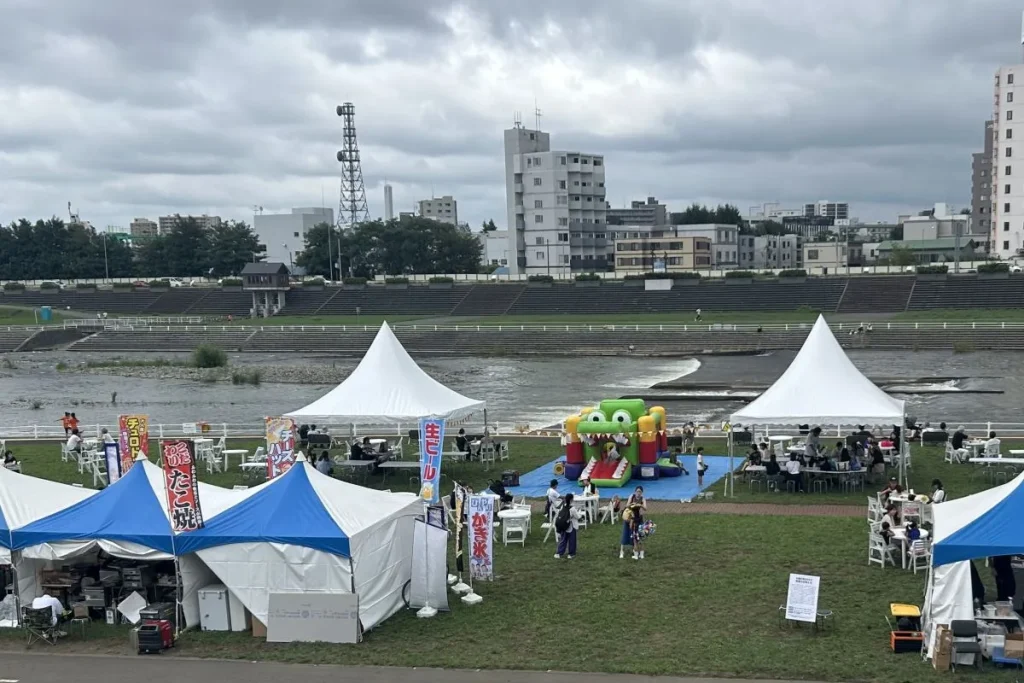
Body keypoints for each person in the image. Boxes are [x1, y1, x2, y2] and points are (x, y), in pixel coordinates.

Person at [553, 493, 582, 559]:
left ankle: (559, 553)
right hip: (571, 526)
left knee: (563, 540)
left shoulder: (562, 506)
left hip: (563, 526)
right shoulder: (572, 508)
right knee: (572, 540)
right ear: (572, 500)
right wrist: (580, 514)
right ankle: (571, 554)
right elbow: (577, 517)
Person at [625, 486, 648, 560]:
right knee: (634, 537)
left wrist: (640, 505)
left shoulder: (643, 499)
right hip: (633, 519)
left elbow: (645, 508)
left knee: (640, 537)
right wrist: (632, 504)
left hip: (639, 519)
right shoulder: (632, 496)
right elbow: (627, 505)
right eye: (637, 491)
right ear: (635, 491)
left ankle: (641, 554)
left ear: (642, 493)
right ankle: (636, 554)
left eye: (640, 492)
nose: (638, 493)